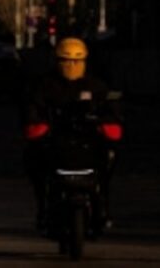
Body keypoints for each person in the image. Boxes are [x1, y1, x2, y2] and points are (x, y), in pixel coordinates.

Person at [23, 36, 120, 233]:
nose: (72, 65)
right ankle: (43, 206)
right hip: (56, 141)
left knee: (109, 161)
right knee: (34, 160)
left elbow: (112, 108)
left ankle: (102, 207)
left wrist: (108, 124)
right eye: (66, 60)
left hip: (88, 141)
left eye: (77, 60)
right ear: (57, 61)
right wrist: (36, 125)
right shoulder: (45, 84)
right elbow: (31, 108)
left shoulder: (96, 85)